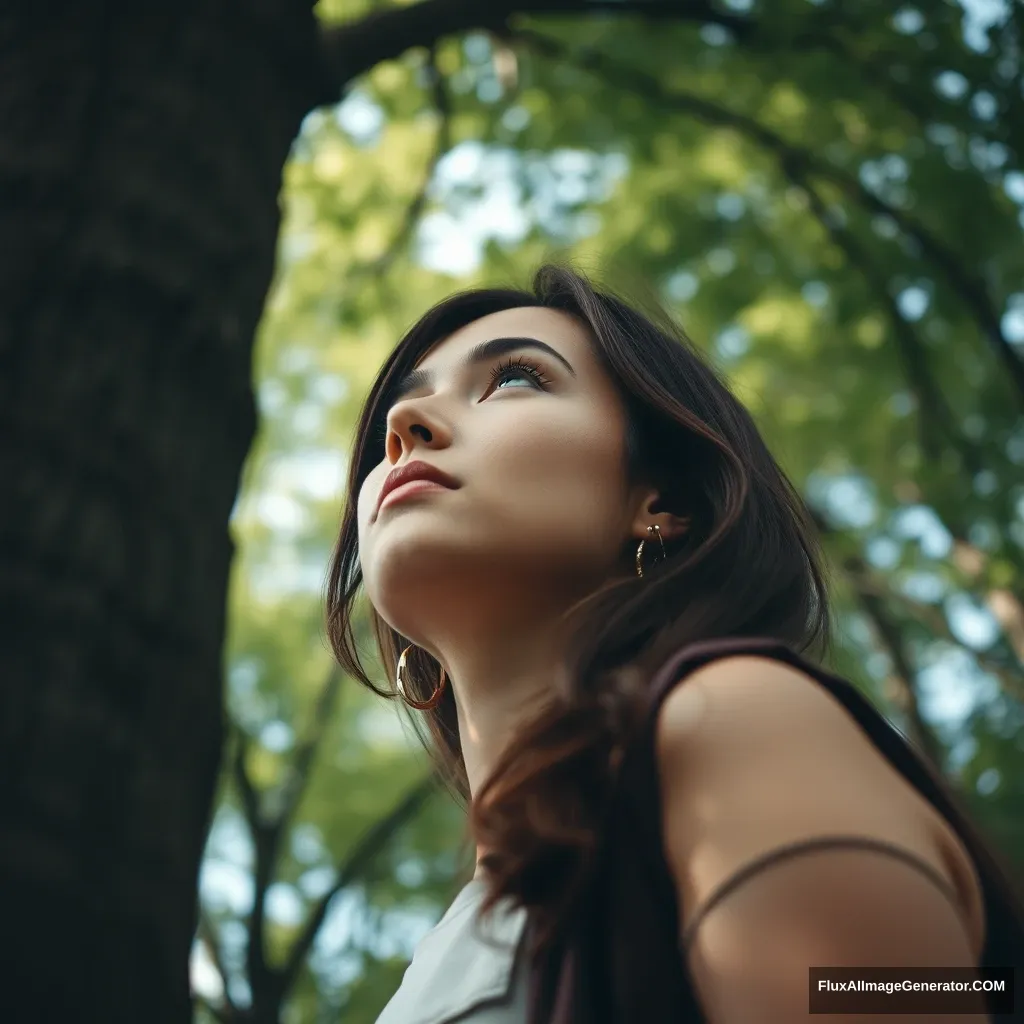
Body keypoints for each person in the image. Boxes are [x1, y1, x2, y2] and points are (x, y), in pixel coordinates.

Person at [325, 265, 1024, 1022]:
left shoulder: (735, 718)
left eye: (515, 378)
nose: (405, 429)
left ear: (659, 502)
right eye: (400, 410)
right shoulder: (433, 958)